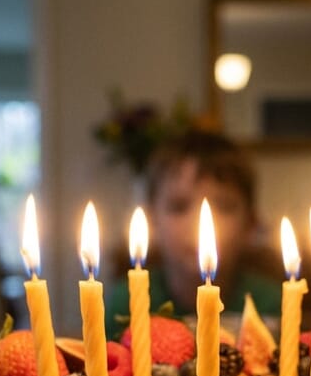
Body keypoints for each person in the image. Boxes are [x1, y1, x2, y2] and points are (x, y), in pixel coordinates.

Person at [106, 129, 282, 338]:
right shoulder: (126, 300)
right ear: (152, 221)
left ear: (251, 224)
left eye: (224, 206)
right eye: (178, 207)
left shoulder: (268, 302)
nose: (198, 225)